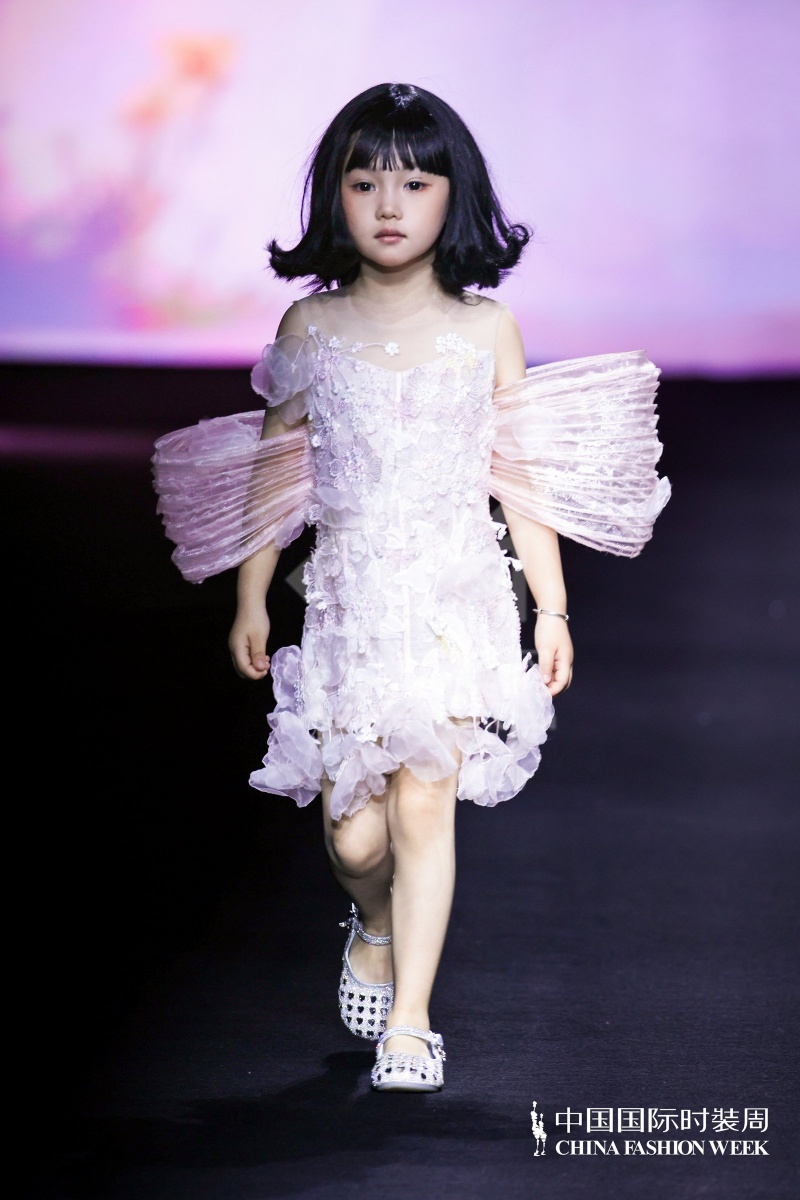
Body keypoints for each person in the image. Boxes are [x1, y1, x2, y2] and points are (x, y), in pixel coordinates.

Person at [152, 82, 671, 1094]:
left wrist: (550, 609)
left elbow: (519, 477)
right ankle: (375, 923)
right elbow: (275, 475)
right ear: (335, 199)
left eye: (416, 182)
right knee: (355, 836)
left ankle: (411, 1026)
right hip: (349, 608)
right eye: (364, 182)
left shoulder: (487, 330)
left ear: (453, 196)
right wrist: (250, 597)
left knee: (424, 805)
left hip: (452, 598)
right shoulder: (310, 326)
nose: (389, 205)